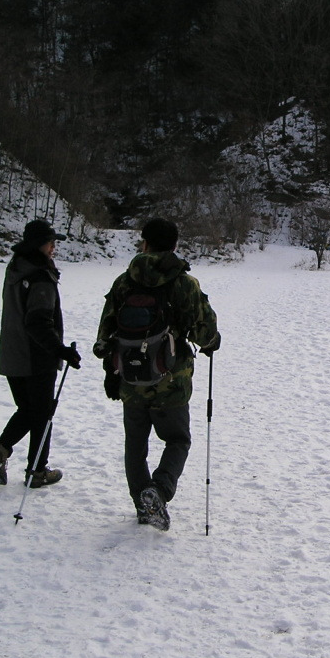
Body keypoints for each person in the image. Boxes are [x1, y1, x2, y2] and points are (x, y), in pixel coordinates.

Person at [94, 218, 220, 531]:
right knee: (177, 439)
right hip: (171, 382)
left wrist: (111, 368)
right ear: (175, 246)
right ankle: (159, 492)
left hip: (131, 380)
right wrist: (212, 342)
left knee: (135, 444)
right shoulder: (185, 283)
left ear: (144, 243)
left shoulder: (124, 282)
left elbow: (104, 333)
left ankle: (142, 503)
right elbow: (205, 331)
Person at [0, 219, 81, 488]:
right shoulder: (39, 276)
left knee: (30, 410)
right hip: (35, 356)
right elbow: (38, 322)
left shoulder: (17, 268)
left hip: (13, 353)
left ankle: (1, 453)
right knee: (42, 412)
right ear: (40, 245)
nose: (53, 248)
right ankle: (36, 471)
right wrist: (60, 350)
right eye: (51, 243)